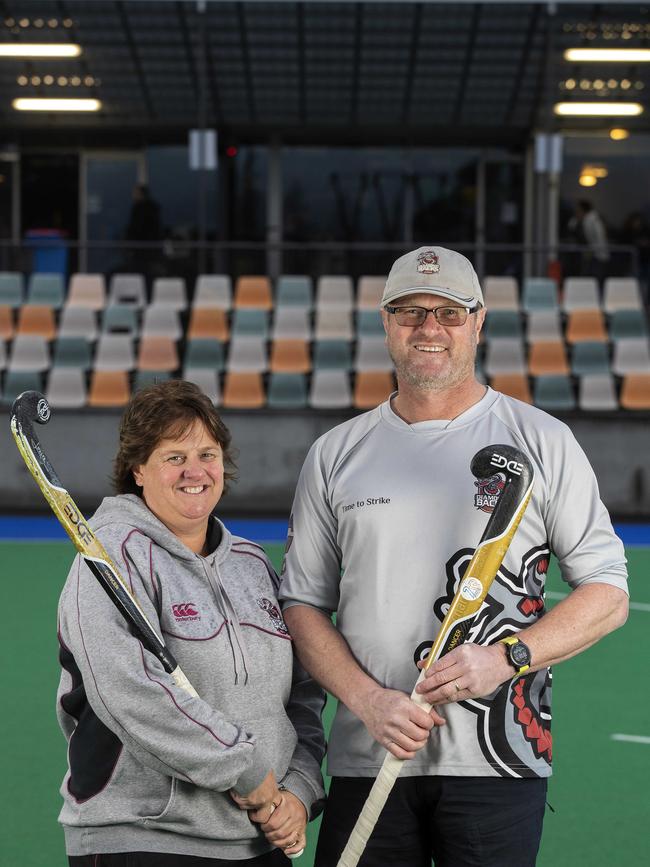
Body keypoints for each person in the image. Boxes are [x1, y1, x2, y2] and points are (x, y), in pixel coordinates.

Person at [279, 246, 629, 867]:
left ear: (478, 321)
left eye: (449, 312)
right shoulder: (336, 454)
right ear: (386, 322)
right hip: (371, 752)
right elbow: (302, 604)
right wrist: (366, 701)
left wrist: (507, 658)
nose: (429, 328)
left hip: (500, 760)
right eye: (411, 312)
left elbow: (607, 590)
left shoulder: (542, 440)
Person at [57, 380, 325, 866]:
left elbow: (303, 693)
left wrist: (298, 792)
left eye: (207, 453)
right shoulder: (109, 556)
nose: (195, 471)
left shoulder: (251, 564)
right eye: (174, 457)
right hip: (145, 839)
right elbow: (129, 691)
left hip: (256, 839)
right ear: (138, 469)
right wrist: (243, 768)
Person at [569, 199, 610, 282]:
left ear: (583, 209)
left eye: (578, 209)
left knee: (596, 278)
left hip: (598, 255)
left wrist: (594, 250)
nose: (576, 211)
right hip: (588, 255)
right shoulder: (580, 220)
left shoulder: (594, 220)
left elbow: (600, 237)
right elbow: (571, 227)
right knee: (586, 277)